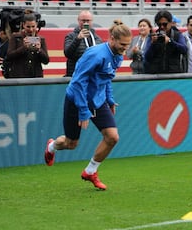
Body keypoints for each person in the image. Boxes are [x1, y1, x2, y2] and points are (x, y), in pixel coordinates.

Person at [44, 19, 132, 190]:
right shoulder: (95, 55)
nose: (125, 49)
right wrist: (83, 111)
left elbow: (106, 79)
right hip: (77, 100)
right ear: (111, 39)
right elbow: (77, 83)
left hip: (97, 101)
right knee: (71, 143)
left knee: (113, 137)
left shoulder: (118, 56)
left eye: (127, 45)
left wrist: (109, 99)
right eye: (122, 44)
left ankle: (90, 171)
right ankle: (52, 146)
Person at [5, 9, 49, 78]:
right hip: (18, 76)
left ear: (36, 25)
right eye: (28, 27)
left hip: (36, 76)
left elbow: (46, 61)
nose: (31, 29)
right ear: (23, 25)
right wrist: (24, 47)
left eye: (33, 26)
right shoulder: (16, 37)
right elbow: (9, 56)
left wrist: (39, 50)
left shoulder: (41, 39)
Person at [144, 10, 187, 74]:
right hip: (155, 73)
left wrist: (170, 42)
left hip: (173, 73)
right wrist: (153, 44)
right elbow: (146, 57)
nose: (162, 27)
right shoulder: (153, 36)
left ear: (170, 23)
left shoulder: (177, 35)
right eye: (159, 24)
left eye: (165, 24)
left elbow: (184, 49)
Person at [64, 10, 102, 77]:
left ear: (92, 21)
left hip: (92, 74)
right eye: (83, 21)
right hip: (75, 74)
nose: (86, 23)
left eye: (88, 21)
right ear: (78, 21)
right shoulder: (70, 36)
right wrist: (78, 39)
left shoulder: (97, 38)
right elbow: (67, 54)